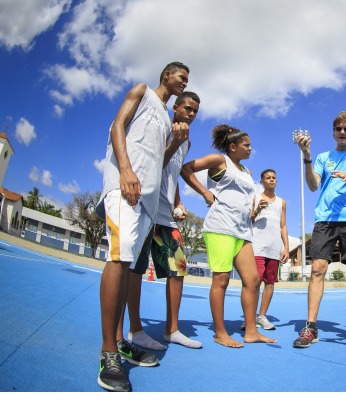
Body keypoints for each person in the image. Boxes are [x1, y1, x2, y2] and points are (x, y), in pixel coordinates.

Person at [95, 61, 189, 392]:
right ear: (166, 75)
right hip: (124, 187)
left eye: (187, 80)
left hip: (147, 202)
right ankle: (108, 352)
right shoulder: (142, 91)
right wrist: (124, 170)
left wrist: (175, 144)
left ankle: (120, 340)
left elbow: (161, 163)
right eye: (181, 77)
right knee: (118, 258)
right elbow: (116, 127)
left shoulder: (167, 119)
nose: (184, 82)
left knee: (128, 268)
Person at [180, 124, 277, 348]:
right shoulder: (219, 160)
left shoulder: (247, 173)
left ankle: (251, 331)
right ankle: (220, 333)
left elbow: (242, 202)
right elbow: (186, 169)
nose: (251, 149)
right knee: (221, 280)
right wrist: (205, 193)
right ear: (233, 147)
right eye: (247, 145)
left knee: (253, 280)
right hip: (220, 228)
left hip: (242, 230)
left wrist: (255, 211)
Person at [119, 91, 202, 352]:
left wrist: (178, 201)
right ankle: (135, 329)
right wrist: (174, 142)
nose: (190, 114)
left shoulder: (186, 142)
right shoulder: (162, 128)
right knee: (135, 269)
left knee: (178, 270)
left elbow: (173, 175)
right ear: (175, 107)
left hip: (167, 214)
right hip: (147, 208)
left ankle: (172, 330)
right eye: (187, 108)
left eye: (195, 111)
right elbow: (155, 163)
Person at [292, 111, 346, 348]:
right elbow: (312, 186)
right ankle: (310, 327)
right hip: (325, 220)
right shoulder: (322, 157)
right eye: (338, 128)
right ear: (333, 131)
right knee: (318, 268)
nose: (342, 132)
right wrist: (307, 156)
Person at [247, 169, 290, 330]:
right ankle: (250, 317)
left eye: (274, 178)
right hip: (257, 246)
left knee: (270, 283)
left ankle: (261, 316)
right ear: (262, 181)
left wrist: (286, 247)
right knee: (254, 282)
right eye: (268, 178)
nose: (271, 180)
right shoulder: (255, 197)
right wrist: (257, 210)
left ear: (276, 181)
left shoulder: (281, 202)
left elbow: (283, 226)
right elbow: (248, 218)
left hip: (274, 248)